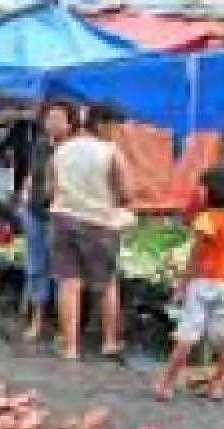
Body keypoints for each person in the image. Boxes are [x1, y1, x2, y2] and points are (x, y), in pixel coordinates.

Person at [50, 104, 131, 360]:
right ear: (102, 124)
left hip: (63, 219)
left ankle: (70, 347)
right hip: (99, 222)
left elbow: (53, 187)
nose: (118, 131)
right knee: (106, 284)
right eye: (116, 126)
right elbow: (127, 192)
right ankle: (109, 342)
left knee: (69, 283)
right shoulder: (111, 152)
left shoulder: (62, 149)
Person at [154, 168, 224, 400]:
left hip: (203, 281)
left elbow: (196, 255)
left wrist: (182, 284)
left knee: (186, 335)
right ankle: (217, 385)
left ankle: (166, 384)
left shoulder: (207, 219)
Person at [20, 101, 75, 342]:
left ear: (70, 123)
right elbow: (32, 174)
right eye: (49, 118)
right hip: (35, 213)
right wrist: (25, 196)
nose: (53, 123)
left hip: (61, 217)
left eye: (58, 118)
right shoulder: (41, 145)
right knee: (36, 267)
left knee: (61, 272)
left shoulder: (73, 149)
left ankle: (64, 326)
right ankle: (37, 319)